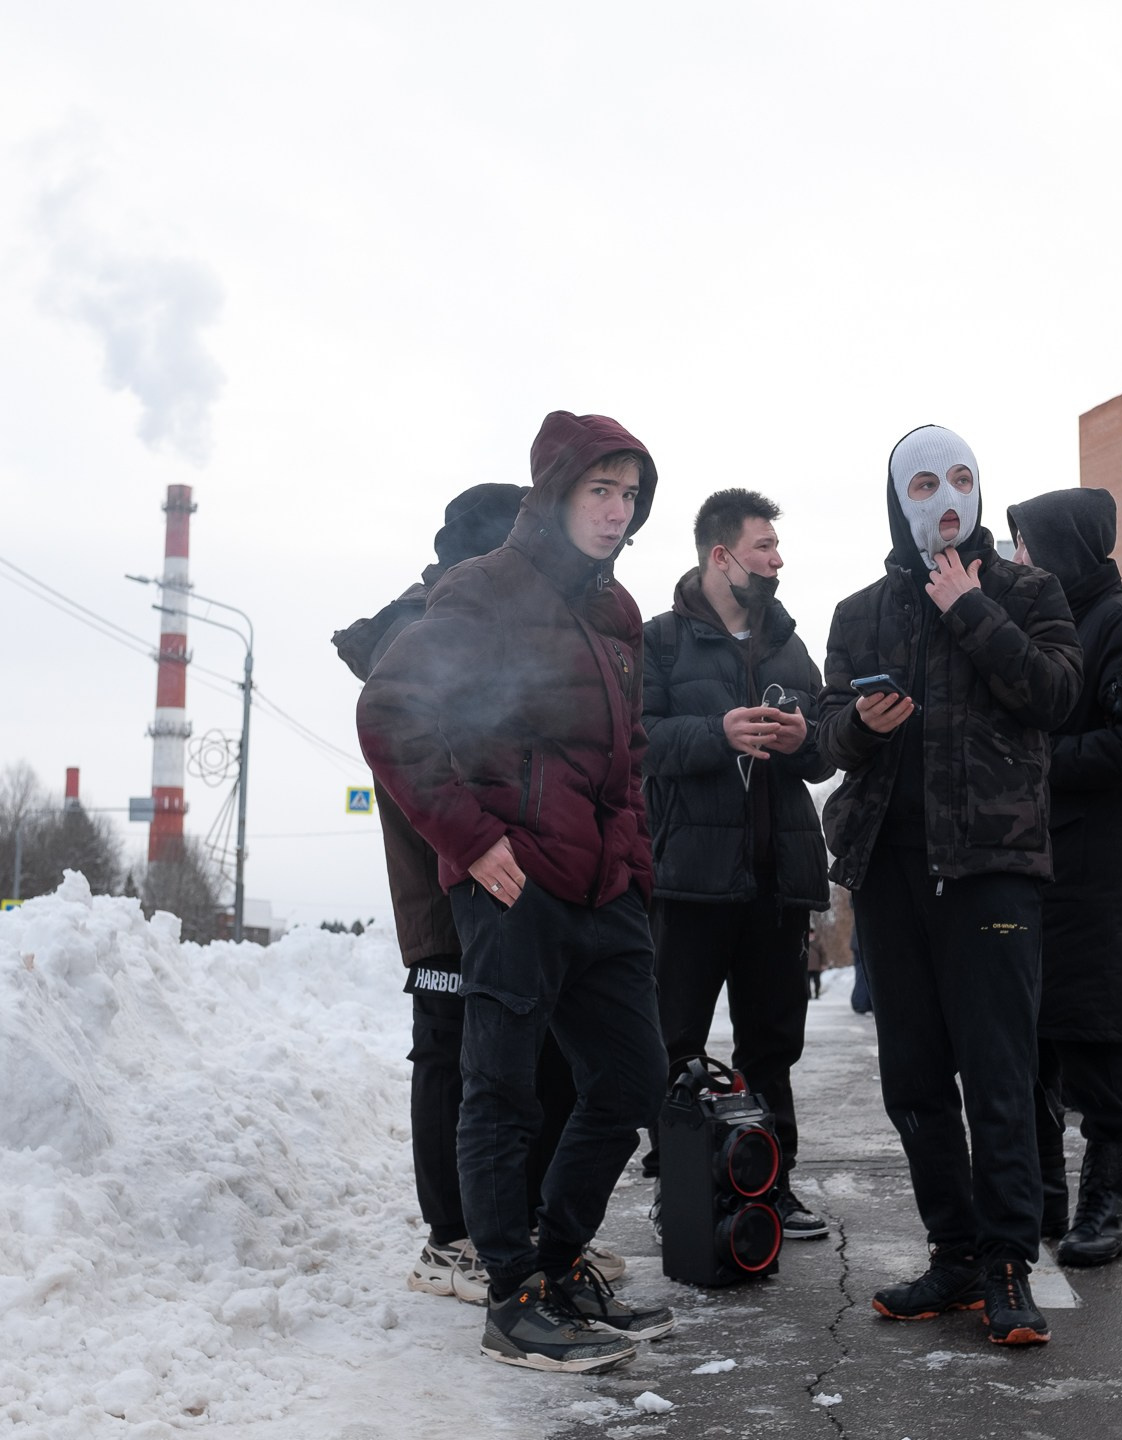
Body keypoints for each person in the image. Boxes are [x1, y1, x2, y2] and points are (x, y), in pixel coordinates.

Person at [358, 412, 671, 1375]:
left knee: (631, 1078)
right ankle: (511, 1295)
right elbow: (390, 708)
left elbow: (627, 763)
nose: (616, 513)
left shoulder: (618, 616)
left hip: (601, 889)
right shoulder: (486, 589)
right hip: (515, 886)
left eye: (629, 495)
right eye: (599, 491)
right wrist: (468, 835)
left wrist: (635, 866)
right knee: (499, 1092)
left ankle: (557, 1258)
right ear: (557, 493)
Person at [818, 424, 1082, 1347]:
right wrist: (856, 722)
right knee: (915, 1080)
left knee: (1000, 1075)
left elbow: (1056, 695)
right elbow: (821, 737)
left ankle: (1010, 1262)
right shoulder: (859, 612)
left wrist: (972, 608)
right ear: (898, 499)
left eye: (961, 479)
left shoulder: (1025, 588)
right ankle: (957, 1251)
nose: (945, 498)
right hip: (894, 871)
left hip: (993, 871)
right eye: (924, 483)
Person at [330, 483, 622, 1306]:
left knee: (524, 1057)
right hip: (443, 891)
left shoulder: (510, 620)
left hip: (512, 889)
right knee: (452, 1054)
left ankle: (519, 1221)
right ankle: (450, 1237)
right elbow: (409, 746)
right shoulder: (425, 627)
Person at [639, 488, 834, 1241]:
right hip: (689, 879)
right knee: (677, 1042)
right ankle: (681, 1184)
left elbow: (825, 746)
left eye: (777, 548)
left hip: (776, 882)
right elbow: (642, 741)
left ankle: (774, 1184)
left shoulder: (788, 644)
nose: (777, 560)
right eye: (763, 547)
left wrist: (803, 741)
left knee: (772, 1045)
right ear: (721, 556)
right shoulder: (660, 642)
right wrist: (716, 733)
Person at [1005, 487, 1122, 1268]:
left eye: (1026, 544)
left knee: (1097, 1030)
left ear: (1064, 548)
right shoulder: (1046, 625)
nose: (1017, 560)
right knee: (1033, 1026)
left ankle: (1105, 1200)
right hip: (1039, 860)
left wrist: (1037, 769)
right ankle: (1044, 1193)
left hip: (1102, 866)